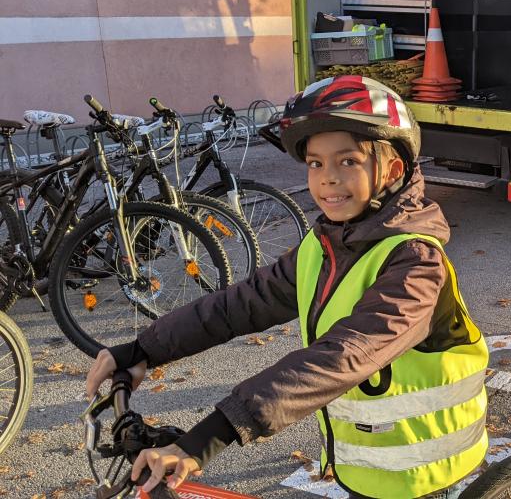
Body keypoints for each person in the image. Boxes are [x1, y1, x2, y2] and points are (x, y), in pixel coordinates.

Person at [83, 76, 489, 499]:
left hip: (420, 470)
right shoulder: (326, 244)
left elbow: (344, 356)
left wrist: (209, 437)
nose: (328, 179)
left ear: (392, 170)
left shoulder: (416, 263)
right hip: (366, 464)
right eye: (315, 164)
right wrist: (143, 349)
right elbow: (242, 304)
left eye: (348, 161)